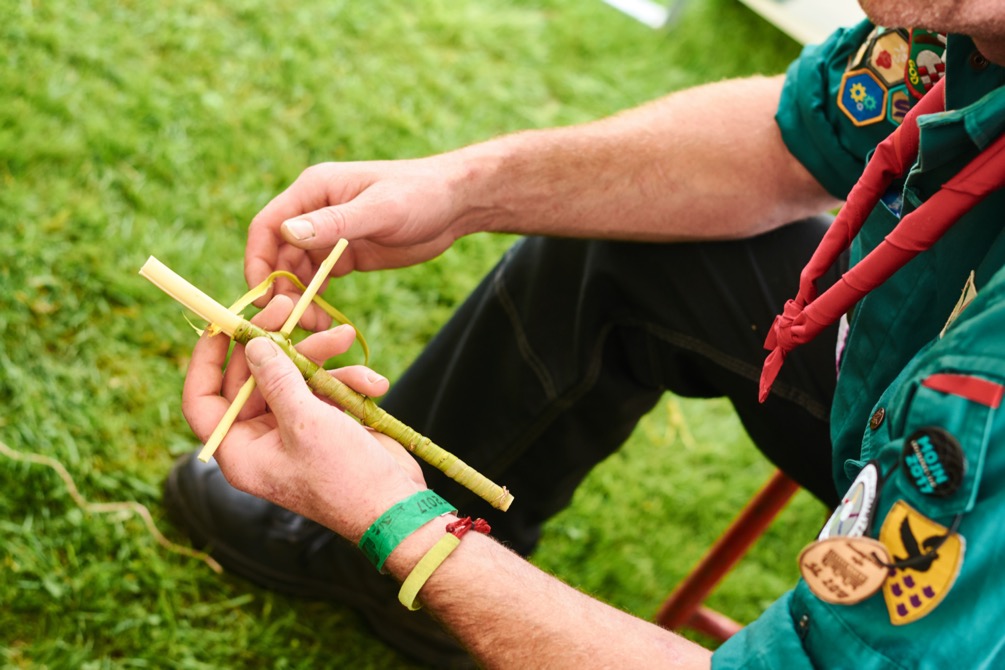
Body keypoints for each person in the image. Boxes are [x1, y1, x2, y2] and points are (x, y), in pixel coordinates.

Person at [167, 0, 1005, 666]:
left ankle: (414, 571)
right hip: (915, 368)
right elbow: (791, 140)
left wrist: (396, 522)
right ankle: (382, 592)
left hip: (968, 416)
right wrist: (463, 190)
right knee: (644, 240)